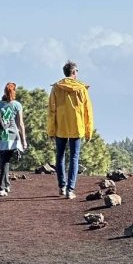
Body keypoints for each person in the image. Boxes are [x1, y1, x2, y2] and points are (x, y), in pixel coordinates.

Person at [46, 61, 94, 199]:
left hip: (60, 127)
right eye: (77, 71)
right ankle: (70, 189)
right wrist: (88, 130)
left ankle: (62, 186)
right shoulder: (81, 89)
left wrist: (50, 130)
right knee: (74, 157)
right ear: (73, 73)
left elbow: (51, 111)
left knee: (60, 156)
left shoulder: (56, 88)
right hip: (77, 127)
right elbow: (87, 111)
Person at [0, 82, 27, 197]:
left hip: (1, 135)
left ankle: (6, 184)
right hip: (12, 135)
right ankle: (1, 187)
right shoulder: (17, 105)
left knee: (4, 160)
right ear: (14, 92)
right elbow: (20, 124)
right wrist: (24, 140)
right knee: (5, 161)